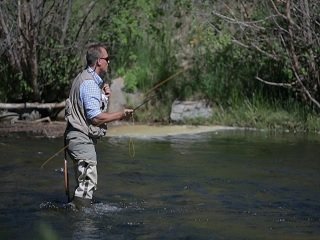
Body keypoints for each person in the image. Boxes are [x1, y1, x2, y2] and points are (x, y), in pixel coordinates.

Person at [64, 43, 133, 208]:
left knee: (83, 184)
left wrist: (103, 97)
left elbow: (88, 109)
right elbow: (95, 118)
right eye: (107, 59)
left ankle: (77, 212)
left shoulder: (85, 80)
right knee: (88, 184)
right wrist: (121, 115)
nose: (109, 62)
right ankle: (82, 222)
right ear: (98, 61)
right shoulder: (89, 84)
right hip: (81, 140)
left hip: (75, 139)